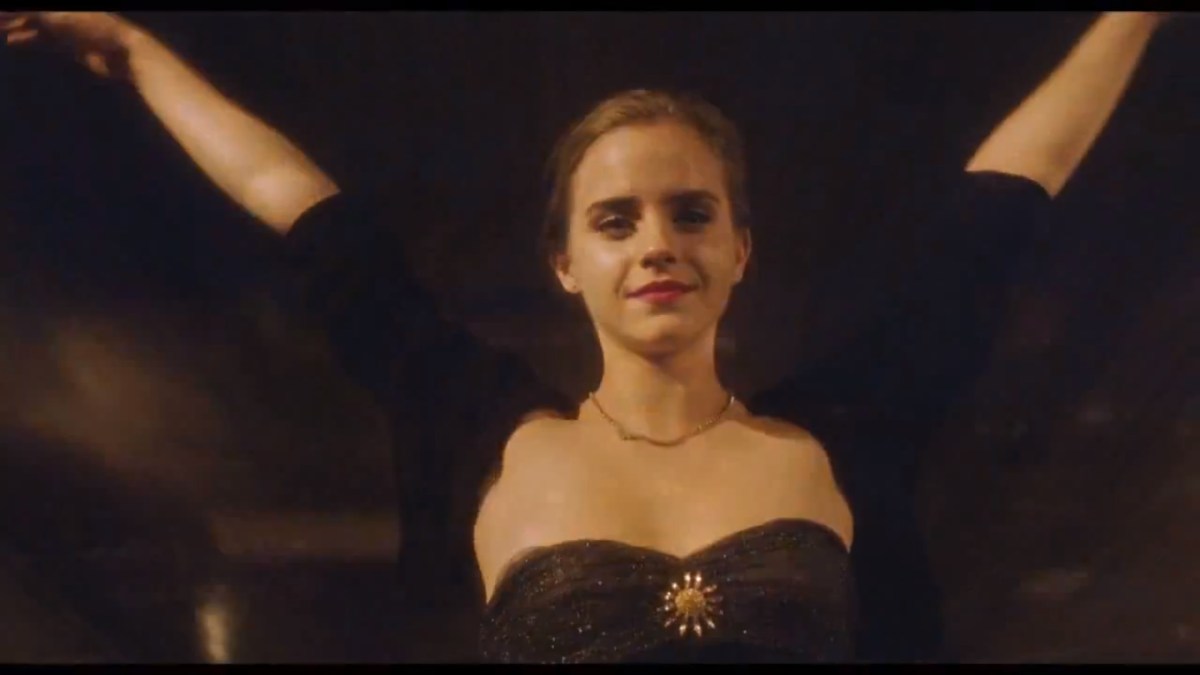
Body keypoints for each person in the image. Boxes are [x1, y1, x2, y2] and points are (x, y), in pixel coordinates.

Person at [1, 11, 1176, 663]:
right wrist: (140, 55)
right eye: (616, 221)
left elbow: (996, 212)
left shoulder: (839, 438)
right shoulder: (488, 434)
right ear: (566, 263)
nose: (658, 243)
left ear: (741, 248)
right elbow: (306, 210)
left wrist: (1131, 18)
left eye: (692, 214)